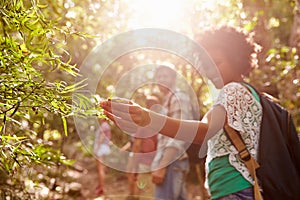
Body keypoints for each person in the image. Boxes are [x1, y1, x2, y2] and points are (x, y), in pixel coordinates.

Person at [100, 26, 262, 200]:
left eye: (217, 62)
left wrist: (147, 118)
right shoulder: (233, 95)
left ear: (236, 59)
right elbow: (201, 130)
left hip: (236, 190)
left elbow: (204, 131)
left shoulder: (233, 91)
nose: (210, 71)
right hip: (231, 190)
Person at [150, 65, 194, 200]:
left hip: (171, 163)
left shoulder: (178, 98)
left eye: (165, 76)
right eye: (159, 76)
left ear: (174, 78)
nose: (161, 79)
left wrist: (162, 166)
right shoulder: (168, 100)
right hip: (172, 163)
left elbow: (180, 134)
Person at [126, 95, 160, 199]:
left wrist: (134, 164)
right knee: (150, 191)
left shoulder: (144, 123)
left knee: (140, 188)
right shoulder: (161, 123)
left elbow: (137, 145)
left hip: (144, 162)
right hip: (156, 163)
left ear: (146, 106)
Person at [93, 118, 112, 196]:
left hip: (101, 148)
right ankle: (100, 186)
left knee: (100, 169)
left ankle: (101, 188)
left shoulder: (104, 126)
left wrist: (96, 149)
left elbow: (101, 138)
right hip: (103, 148)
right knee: (102, 168)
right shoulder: (105, 125)